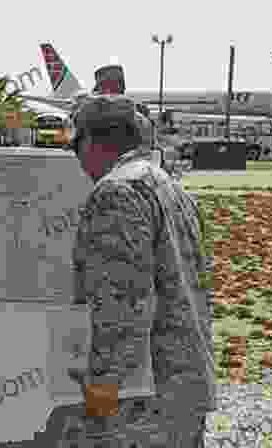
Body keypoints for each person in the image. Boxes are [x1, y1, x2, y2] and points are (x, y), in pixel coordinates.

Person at [58, 95, 216, 447]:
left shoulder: (117, 191)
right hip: (185, 382)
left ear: (93, 143)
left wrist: (104, 381)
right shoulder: (170, 187)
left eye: (76, 148)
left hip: (142, 396)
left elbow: (124, 297)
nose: (78, 161)